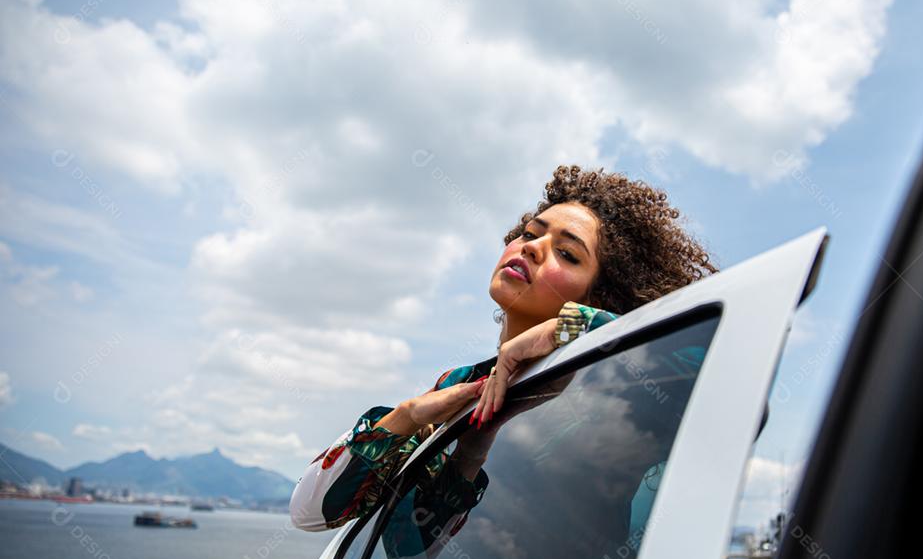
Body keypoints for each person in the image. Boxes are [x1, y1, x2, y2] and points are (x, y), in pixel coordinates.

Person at [289, 164, 720, 534]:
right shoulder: (459, 388)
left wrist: (573, 327)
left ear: (601, 298)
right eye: (531, 233)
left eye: (568, 254)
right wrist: (418, 422)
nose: (531, 246)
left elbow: (718, 365)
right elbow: (325, 520)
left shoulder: (620, 379)